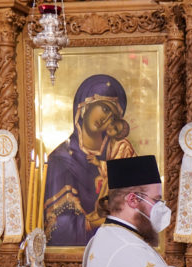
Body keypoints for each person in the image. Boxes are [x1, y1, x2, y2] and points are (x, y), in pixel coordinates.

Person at [44, 74, 136, 247]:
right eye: (105, 108)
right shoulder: (60, 159)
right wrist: (94, 223)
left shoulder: (120, 152)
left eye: (113, 116)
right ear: (85, 105)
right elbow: (55, 228)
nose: (106, 119)